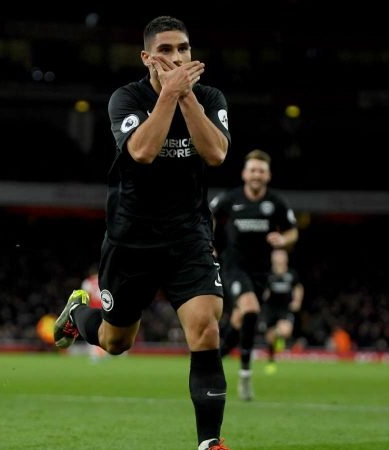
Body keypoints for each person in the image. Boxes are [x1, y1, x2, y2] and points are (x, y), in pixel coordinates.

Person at [53, 16, 230, 450]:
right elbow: (143, 151)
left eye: (184, 49)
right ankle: (77, 314)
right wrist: (169, 95)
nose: (176, 58)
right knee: (116, 342)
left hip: (188, 235)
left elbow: (217, 153)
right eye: (166, 50)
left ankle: (210, 442)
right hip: (131, 238)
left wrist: (185, 98)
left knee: (206, 328)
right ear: (147, 57)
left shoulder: (209, 96)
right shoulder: (125, 99)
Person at [209, 149, 298, 401]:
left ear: (267, 175)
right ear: (244, 173)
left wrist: (283, 238)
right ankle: (246, 375)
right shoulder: (230, 199)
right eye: (252, 170)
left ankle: (212, 363)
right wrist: (209, 241)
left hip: (262, 273)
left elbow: (292, 232)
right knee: (249, 309)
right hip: (233, 267)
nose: (256, 174)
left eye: (261, 170)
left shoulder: (276, 203)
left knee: (239, 320)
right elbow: (207, 216)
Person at [262, 248, 304, 373]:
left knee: (285, 330)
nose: (280, 259)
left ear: (286, 259)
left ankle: (280, 336)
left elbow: (298, 287)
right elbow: (263, 291)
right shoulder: (268, 275)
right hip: (270, 310)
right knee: (270, 337)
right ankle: (271, 360)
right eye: (277, 256)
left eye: (282, 256)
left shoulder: (291, 274)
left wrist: (297, 301)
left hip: (285, 309)